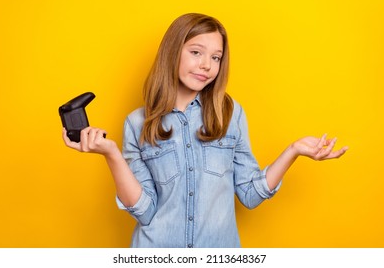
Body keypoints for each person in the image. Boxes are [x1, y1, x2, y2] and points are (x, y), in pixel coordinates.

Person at [62, 13, 348, 248]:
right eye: (196, 52)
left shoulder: (230, 114)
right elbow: (145, 211)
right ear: (173, 52)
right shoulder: (137, 123)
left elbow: (250, 194)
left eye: (216, 57)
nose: (206, 65)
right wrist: (111, 154)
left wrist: (293, 151)